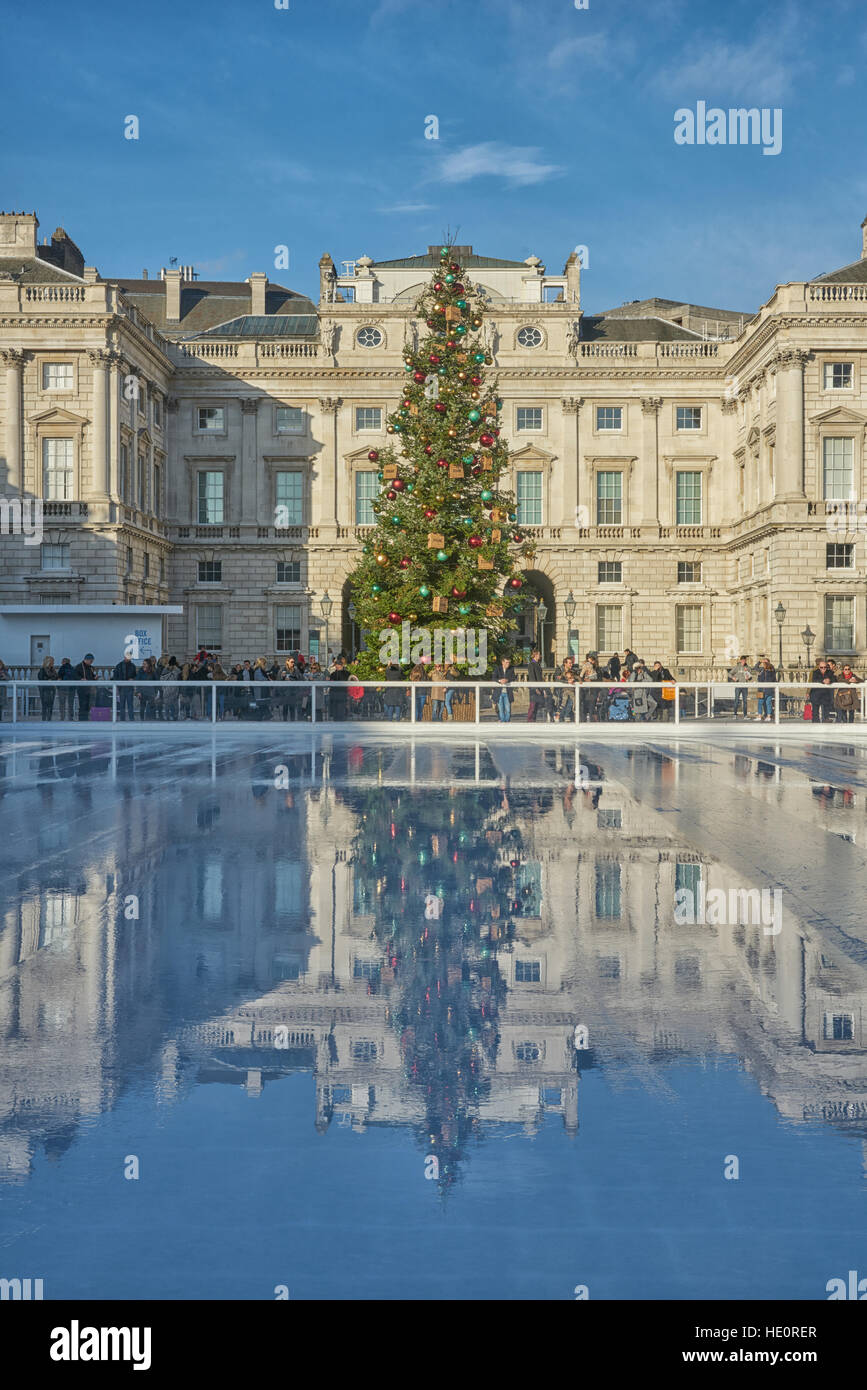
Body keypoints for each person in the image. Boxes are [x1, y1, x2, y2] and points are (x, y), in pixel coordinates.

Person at [112, 650, 138, 721]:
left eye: (129, 657)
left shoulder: (132, 666)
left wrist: (133, 679)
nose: (128, 658)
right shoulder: (119, 666)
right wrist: (117, 686)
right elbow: (115, 677)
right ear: (125, 657)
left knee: (130, 705)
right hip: (122, 688)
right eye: (127, 656)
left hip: (129, 688)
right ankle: (122, 720)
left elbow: (136, 676)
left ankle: (131, 719)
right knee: (122, 705)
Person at [526, 647, 550, 722]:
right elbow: (532, 677)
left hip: (539, 688)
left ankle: (533, 720)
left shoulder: (537, 664)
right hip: (534, 689)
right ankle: (530, 721)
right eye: (539, 654)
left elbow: (540, 678)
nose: (540, 656)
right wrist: (535, 688)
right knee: (532, 706)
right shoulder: (531, 664)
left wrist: (543, 689)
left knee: (536, 706)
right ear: (535, 655)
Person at [72, 653, 97, 721]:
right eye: (91, 661)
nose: (91, 662)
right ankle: (82, 719)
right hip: (82, 689)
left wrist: (95, 677)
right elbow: (74, 675)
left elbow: (91, 676)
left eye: (92, 661)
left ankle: (86, 718)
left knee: (88, 705)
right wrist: (81, 679)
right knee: (83, 704)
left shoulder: (90, 667)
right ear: (86, 660)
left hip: (89, 689)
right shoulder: (79, 666)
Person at [492, 654, 515, 723]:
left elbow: (513, 678)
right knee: (501, 709)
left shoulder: (511, 669)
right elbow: (493, 678)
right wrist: (500, 680)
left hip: (507, 692)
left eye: (509, 662)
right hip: (499, 692)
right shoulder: (497, 669)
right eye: (506, 662)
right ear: (502, 662)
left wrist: (507, 680)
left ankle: (507, 722)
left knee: (508, 709)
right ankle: (502, 722)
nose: (508, 664)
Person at [809, 658, 834, 722]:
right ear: (819, 667)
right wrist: (823, 681)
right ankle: (815, 726)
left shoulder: (830, 672)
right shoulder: (815, 672)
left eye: (825, 667)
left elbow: (834, 679)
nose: (823, 669)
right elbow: (814, 680)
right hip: (816, 694)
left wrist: (829, 680)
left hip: (825, 695)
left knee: (826, 714)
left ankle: (826, 728)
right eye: (821, 667)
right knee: (815, 713)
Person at [729, 654, 752, 719]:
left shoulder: (748, 667)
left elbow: (750, 677)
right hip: (738, 686)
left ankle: (745, 715)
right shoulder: (737, 667)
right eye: (743, 660)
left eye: (745, 660)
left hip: (745, 686)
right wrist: (733, 677)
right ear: (741, 660)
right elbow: (729, 673)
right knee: (736, 700)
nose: (744, 661)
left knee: (745, 701)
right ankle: (735, 715)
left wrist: (748, 678)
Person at [328, 655, 350, 720]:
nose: (337, 666)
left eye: (339, 665)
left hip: (342, 694)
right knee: (336, 712)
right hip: (335, 695)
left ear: (341, 666)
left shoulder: (346, 673)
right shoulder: (333, 674)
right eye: (337, 665)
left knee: (341, 711)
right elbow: (330, 683)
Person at [160, 655, 181, 720]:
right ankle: (170, 717)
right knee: (169, 705)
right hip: (169, 690)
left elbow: (162, 677)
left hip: (171, 690)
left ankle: (172, 716)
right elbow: (162, 678)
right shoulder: (168, 670)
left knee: (172, 705)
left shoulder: (175, 670)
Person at [37, 655, 57, 720]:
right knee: (45, 705)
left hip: (52, 689)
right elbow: (40, 678)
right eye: (52, 662)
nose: (53, 663)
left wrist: (53, 679)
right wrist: (47, 680)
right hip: (44, 690)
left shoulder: (53, 670)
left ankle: (49, 718)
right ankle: (44, 719)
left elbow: (56, 677)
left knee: (51, 705)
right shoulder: (42, 670)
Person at [0, 657, 9, 722]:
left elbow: (9, 678)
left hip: (2, 691)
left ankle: (0, 719)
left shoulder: (4, 671)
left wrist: (4, 677)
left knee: (1, 706)